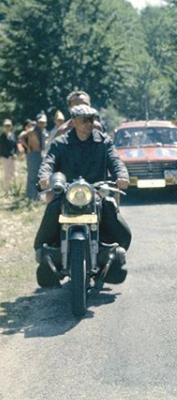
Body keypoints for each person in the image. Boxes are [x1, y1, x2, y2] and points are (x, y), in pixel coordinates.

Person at [34, 105, 131, 285]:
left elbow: (116, 161)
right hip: (67, 193)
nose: (89, 124)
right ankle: (45, 250)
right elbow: (49, 161)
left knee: (109, 206)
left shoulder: (103, 142)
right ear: (74, 121)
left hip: (96, 191)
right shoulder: (60, 142)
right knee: (53, 208)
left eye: (92, 120)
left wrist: (122, 176)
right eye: (84, 120)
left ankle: (116, 250)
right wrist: (44, 177)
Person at [19, 112, 48, 200]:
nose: (42, 124)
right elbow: (21, 137)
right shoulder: (32, 130)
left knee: (39, 176)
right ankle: (30, 197)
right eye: (40, 122)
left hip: (40, 154)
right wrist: (28, 147)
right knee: (32, 176)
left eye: (43, 122)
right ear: (37, 122)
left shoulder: (43, 131)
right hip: (33, 154)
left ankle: (36, 196)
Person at [0, 119, 18, 194]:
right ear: (3, 127)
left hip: (12, 157)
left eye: (9, 125)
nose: (7, 127)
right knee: (7, 174)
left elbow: (15, 146)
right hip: (5, 157)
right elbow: (3, 148)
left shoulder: (13, 135)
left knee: (12, 173)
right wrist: (12, 154)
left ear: (11, 126)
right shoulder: (1, 137)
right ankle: (6, 190)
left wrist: (15, 153)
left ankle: (11, 188)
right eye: (6, 126)